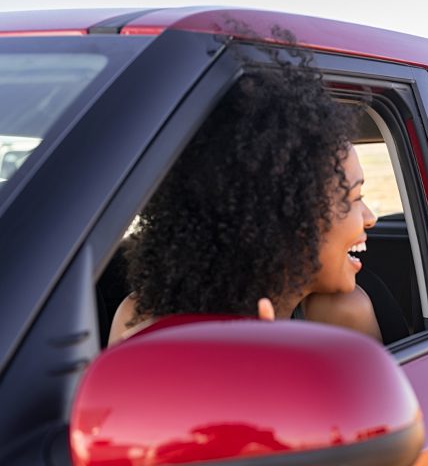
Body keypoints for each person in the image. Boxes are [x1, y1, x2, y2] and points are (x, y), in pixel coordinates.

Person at [108, 49, 381, 345]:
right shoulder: (141, 320)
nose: (370, 218)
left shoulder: (343, 315)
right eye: (355, 197)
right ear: (285, 218)